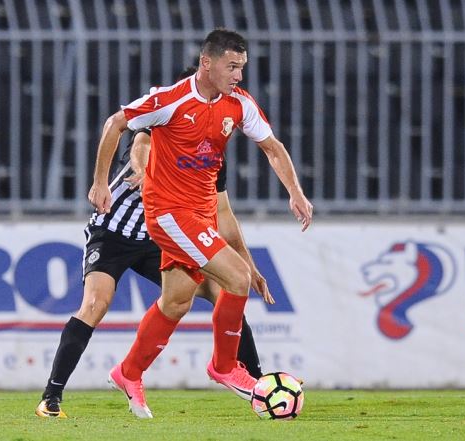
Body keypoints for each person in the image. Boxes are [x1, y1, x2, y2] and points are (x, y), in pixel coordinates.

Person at [88, 28, 313, 419]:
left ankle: (128, 372)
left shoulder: (239, 104)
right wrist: (100, 182)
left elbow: (272, 147)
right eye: (232, 66)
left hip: (201, 213)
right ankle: (224, 367)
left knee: (176, 302)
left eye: (242, 67)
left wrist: (295, 192)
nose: (238, 75)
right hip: (169, 213)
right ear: (207, 63)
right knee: (238, 278)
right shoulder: (170, 100)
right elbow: (116, 123)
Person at [35, 70, 274, 419]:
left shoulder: (210, 157)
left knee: (225, 290)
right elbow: (139, 148)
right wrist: (148, 175)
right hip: (113, 232)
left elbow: (224, 216)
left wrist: (249, 265)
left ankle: (257, 384)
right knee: (96, 304)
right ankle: (51, 396)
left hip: (158, 238)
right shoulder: (156, 128)